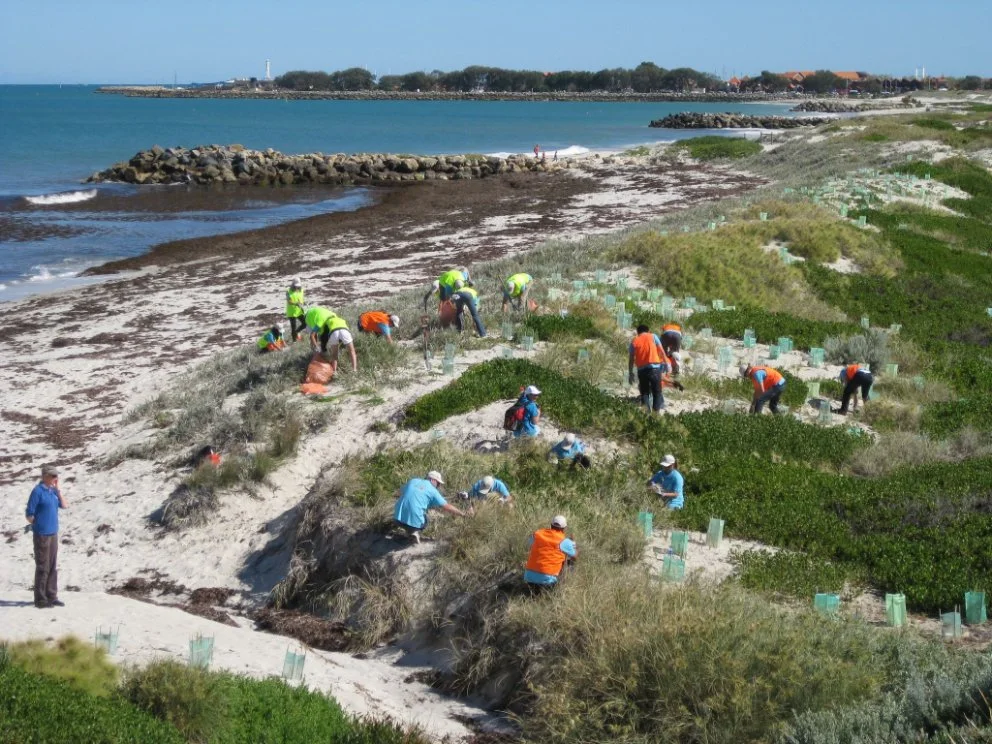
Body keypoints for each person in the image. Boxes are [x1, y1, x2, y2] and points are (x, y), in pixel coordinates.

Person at [25, 465, 68, 609]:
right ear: (44, 476)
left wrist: (58, 490)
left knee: (52, 566)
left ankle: (52, 596)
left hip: (53, 533)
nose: (55, 478)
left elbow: (64, 505)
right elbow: (29, 514)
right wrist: (37, 524)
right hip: (42, 534)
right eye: (52, 475)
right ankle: (40, 599)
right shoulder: (37, 491)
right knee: (43, 566)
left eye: (56, 476)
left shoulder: (53, 491)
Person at [393, 471, 469, 543]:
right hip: (414, 522)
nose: (438, 486)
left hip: (396, 518)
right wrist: (463, 514)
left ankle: (409, 532)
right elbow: (447, 506)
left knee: (411, 512)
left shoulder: (413, 481)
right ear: (433, 480)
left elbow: (400, 491)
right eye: (438, 483)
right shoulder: (433, 490)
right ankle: (414, 531)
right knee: (425, 518)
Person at [524, 515, 577, 591]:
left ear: (551, 525)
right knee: (571, 562)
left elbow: (528, 543)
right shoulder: (564, 541)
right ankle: (563, 589)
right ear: (564, 528)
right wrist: (574, 545)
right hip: (548, 582)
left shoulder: (538, 534)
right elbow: (574, 556)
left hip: (529, 579)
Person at [628, 324, 669, 413]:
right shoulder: (653, 336)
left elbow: (631, 359)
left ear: (638, 332)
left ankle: (647, 415)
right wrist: (666, 364)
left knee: (644, 393)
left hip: (642, 371)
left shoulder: (634, 341)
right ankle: (655, 415)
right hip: (654, 369)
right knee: (657, 393)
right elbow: (662, 351)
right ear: (648, 330)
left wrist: (630, 373)